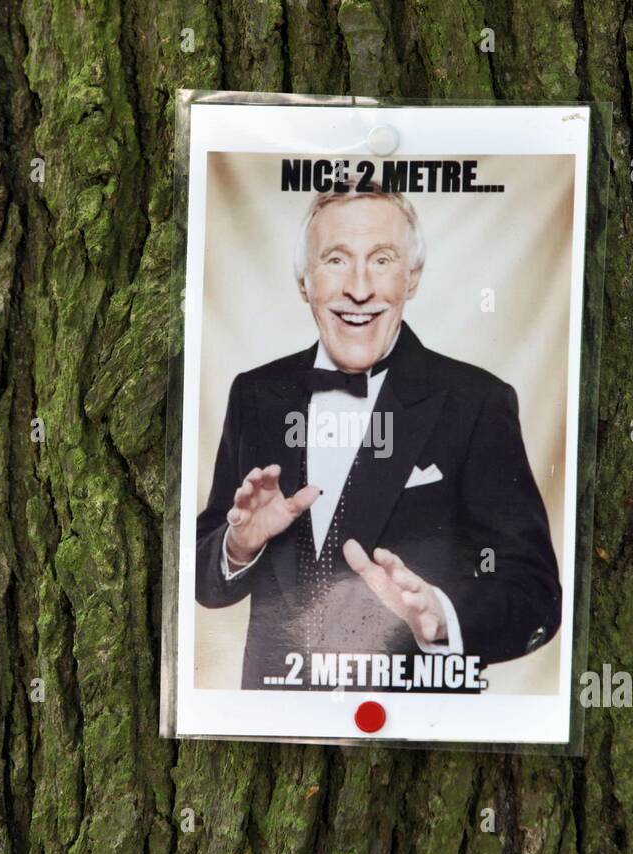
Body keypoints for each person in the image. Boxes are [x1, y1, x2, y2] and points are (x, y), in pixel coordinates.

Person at [195, 180, 561, 691]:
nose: (360, 288)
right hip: (271, 729)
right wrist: (239, 544)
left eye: (383, 259)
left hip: (419, 738)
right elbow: (202, 580)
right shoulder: (255, 394)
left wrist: (440, 615)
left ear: (412, 277)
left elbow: (534, 595)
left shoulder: (476, 402)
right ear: (305, 282)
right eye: (337, 260)